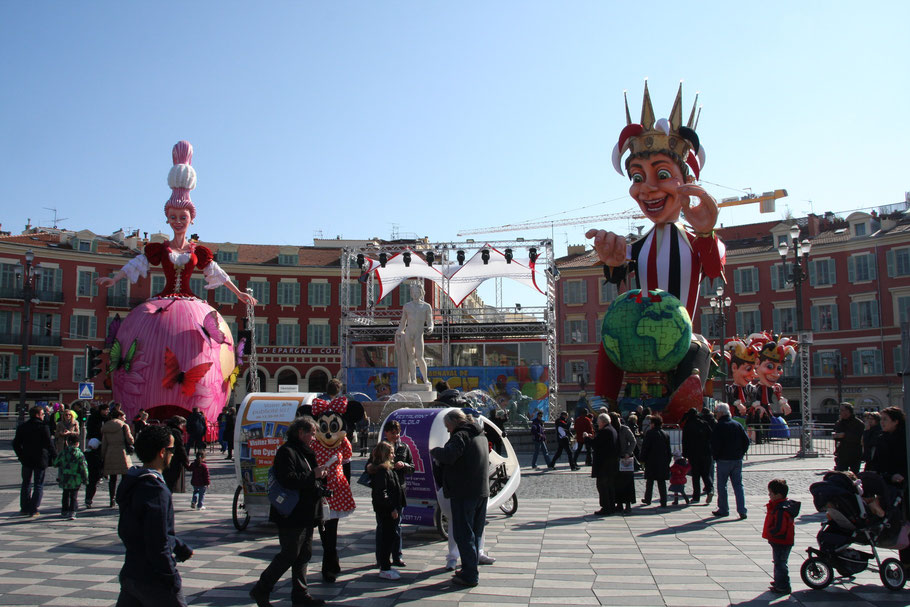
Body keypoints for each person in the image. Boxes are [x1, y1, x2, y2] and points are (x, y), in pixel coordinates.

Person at [95, 141, 256, 424]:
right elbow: (137, 264)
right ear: (167, 219)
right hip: (162, 304)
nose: (177, 221)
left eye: (183, 217)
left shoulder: (198, 252)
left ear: (192, 219)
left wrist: (239, 293)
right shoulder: (160, 250)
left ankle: (203, 420)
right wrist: (115, 278)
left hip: (192, 308)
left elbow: (218, 274)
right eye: (173, 217)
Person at [587, 82, 724, 408]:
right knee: (610, 338)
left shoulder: (693, 241)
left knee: (697, 348)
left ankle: (685, 400)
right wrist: (613, 261)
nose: (646, 189)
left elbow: (715, 267)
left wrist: (705, 232)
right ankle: (602, 402)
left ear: (687, 180)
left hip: (680, 337)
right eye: (637, 177)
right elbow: (620, 273)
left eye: (662, 174)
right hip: (639, 336)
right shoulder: (637, 246)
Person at [250, 418, 328, 607]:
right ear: (300, 433)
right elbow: (288, 479)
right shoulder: (287, 452)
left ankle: (300, 595)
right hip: (291, 514)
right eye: (311, 433)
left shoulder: (306, 452)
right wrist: (314, 475)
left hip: (307, 513)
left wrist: (320, 481)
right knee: (289, 554)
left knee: (304, 554)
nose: (314, 437)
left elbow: (308, 479)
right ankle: (261, 588)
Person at [115, 424, 193, 607]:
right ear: (161, 452)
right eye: (171, 449)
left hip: (132, 571)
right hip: (153, 578)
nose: (173, 454)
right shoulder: (156, 491)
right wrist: (171, 577)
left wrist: (179, 545)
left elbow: (137, 528)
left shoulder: (133, 481)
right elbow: (157, 540)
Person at [430, 409, 489, 588]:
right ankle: (468, 569)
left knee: (464, 534)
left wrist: (434, 451)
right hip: (480, 490)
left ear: (455, 421)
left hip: (464, 491)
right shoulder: (480, 434)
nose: (448, 431)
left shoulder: (460, 435)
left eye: (448, 427)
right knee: (474, 532)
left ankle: (470, 575)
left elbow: (449, 455)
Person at [366, 420, 414, 568]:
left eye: (398, 433)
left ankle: (397, 556)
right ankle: (381, 557)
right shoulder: (380, 448)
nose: (396, 435)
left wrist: (404, 465)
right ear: (386, 432)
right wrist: (381, 467)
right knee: (382, 526)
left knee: (396, 526)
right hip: (384, 491)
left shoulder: (404, 447)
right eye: (393, 433)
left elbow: (412, 467)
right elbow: (369, 466)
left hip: (399, 489)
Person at [370, 441, 407, 580]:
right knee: (386, 538)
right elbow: (381, 493)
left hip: (391, 508)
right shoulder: (382, 471)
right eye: (391, 453)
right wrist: (391, 508)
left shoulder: (388, 469)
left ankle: (387, 566)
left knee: (390, 537)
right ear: (386, 455)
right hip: (387, 511)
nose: (393, 455)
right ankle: (384, 567)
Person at [12, 405, 57, 517]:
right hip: (40, 459)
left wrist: (20, 455)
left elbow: (16, 443)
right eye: (42, 414)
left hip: (26, 459)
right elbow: (49, 444)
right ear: (37, 415)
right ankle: (33, 509)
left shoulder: (23, 427)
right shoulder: (43, 427)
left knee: (26, 483)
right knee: (38, 484)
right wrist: (56, 456)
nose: (43, 416)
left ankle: (24, 507)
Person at [711, 403, 751, 519]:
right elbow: (746, 441)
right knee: (738, 485)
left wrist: (716, 455)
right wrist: (741, 453)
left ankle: (723, 509)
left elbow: (714, 443)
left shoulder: (719, 426)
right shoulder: (737, 425)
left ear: (721, 413)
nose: (716, 415)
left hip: (723, 459)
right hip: (737, 459)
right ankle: (742, 510)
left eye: (717, 412)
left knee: (722, 485)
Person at [762, 479, 800, 595]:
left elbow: (780, 528)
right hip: (781, 540)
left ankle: (783, 585)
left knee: (780, 563)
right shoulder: (779, 506)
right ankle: (779, 581)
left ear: (778, 495)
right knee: (778, 562)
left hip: (781, 540)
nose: (769, 495)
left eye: (771, 493)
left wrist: (771, 532)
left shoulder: (781, 509)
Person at [395, 281, 434, 387]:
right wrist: (400, 330)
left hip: (419, 334)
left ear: (421, 292)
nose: (415, 294)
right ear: (411, 293)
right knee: (410, 357)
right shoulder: (407, 306)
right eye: (413, 292)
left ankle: (425, 379)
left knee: (420, 357)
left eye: (417, 292)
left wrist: (430, 327)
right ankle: (413, 379)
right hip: (409, 333)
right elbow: (403, 321)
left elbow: (430, 321)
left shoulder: (426, 306)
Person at [101, 408, 135, 508]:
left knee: (112, 479)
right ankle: (122, 497)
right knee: (124, 478)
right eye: (124, 416)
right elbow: (130, 440)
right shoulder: (124, 426)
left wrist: (103, 456)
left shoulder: (106, 426)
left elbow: (104, 443)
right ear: (119, 416)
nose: (125, 418)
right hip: (122, 452)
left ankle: (112, 499)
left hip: (110, 453)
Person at [588, 412, 619, 516]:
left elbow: (596, 445)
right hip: (611, 463)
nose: (597, 423)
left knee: (602, 486)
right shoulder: (612, 430)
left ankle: (606, 507)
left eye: (598, 422)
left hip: (604, 464)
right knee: (609, 486)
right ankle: (611, 506)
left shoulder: (605, 431)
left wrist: (587, 438)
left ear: (602, 422)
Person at [682, 407, 714, 503]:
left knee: (695, 476)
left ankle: (696, 497)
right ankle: (710, 490)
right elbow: (711, 437)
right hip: (706, 452)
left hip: (693, 453)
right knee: (706, 474)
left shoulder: (688, 425)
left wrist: (685, 454)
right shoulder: (704, 423)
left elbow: (685, 441)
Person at [53, 432, 89, 519]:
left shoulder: (63, 453)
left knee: (65, 494)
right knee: (74, 495)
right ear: (77, 443)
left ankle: (64, 511)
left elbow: (55, 463)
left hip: (65, 477)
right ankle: (72, 511)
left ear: (67, 442)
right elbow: (83, 467)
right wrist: (85, 478)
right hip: (75, 478)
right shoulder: (79, 454)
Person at [640, 415, 671, 507]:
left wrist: (642, 459)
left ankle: (648, 499)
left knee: (650, 481)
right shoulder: (665, 434)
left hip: (651, 460)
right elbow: (668, 450)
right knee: (661, 482)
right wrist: (668, 460)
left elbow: (645, 447)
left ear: (653, 424)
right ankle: (664, 500)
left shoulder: (650, 433)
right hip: (662, 461)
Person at [833, 403, 865, 474]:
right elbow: (837, 436)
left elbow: (859, 437)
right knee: (840, 474)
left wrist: (844, 435)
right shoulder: (839, 423)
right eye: (840, 410)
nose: (840, 412)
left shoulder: (858, 423)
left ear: (848, 411)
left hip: (854, 453)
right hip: (842, 453)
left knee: (854, 474)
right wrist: (836, 437)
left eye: (842, 410)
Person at [615, 414, 637, 514]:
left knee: (627, 482)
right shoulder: (612, 429)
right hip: (616, 459)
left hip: (625, 459)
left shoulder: (624, 429)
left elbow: (633, 441)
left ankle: (628, 504)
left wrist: (628, 452)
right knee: (617, 482)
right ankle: (619, 503)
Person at [164, 417, 190, 493]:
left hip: (166, 459)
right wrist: (186, 461)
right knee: (172, 482)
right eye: (183, 425)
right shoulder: (176, 432)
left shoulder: (166, 429)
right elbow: (180, 447)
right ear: (179, 424)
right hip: (175, 460)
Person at [84, 437, 104, 508]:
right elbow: (100, 465)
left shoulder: (85, 454)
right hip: (95, 474)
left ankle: (87, 499)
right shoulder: (97, 455)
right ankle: (89, 499)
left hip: (87, 473)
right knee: (92, 487)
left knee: (88, 486)